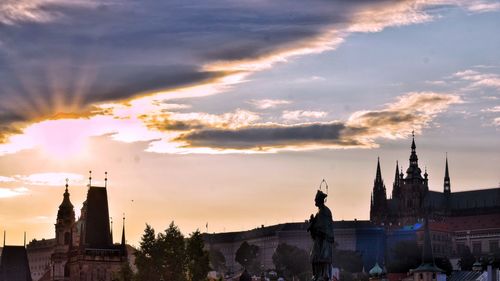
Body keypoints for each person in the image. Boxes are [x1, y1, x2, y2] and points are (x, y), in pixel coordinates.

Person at [307, 190, 335, 281]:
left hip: (325, 239)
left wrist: (315, 227)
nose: (315, 202)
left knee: (324, 258)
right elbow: (317, 226)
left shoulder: (325, 211)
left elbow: (325, 226)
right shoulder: (319, 212)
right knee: (314, 257)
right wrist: (312, 223)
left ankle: (324, 275)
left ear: (320, 200)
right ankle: (316, 275)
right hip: (319, 239)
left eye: (316, 200)